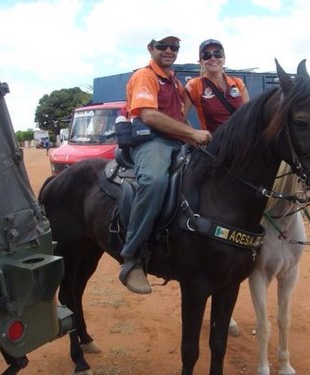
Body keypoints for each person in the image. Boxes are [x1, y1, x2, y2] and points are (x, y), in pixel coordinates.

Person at [119, 33, 212, 294]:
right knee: (154, 181)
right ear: (151, 48)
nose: (169, 51)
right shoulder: (145, 76)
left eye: (174, 47)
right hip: (152, 142)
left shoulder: (174, 80)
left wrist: (191, 136)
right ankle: (132, 256)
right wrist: (192, 134)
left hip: (177, 140)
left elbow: (179, 114)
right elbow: (149, 115)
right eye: (163, 46)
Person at [184, 39, 249, 133]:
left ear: (224, 58)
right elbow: (180, 117)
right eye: (207, 55)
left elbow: (248, 117)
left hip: (240, 143)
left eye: (217, 53)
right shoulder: (194, 85)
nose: (213, 58)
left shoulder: (238, 83)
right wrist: (194, 135)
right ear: (201, 62)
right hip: (214, 144)